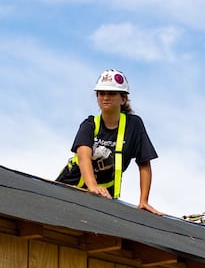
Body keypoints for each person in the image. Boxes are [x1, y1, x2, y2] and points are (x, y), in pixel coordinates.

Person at [54, 69, 160, 214]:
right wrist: (92, 186)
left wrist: (143, 201)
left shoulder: (134, 125)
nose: (105, 98)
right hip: (70, 188)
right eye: (101, 93)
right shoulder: (89, 125)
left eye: (111, 93)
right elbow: (83, 156)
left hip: (103, 196)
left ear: (123, 99)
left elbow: (144, 163)